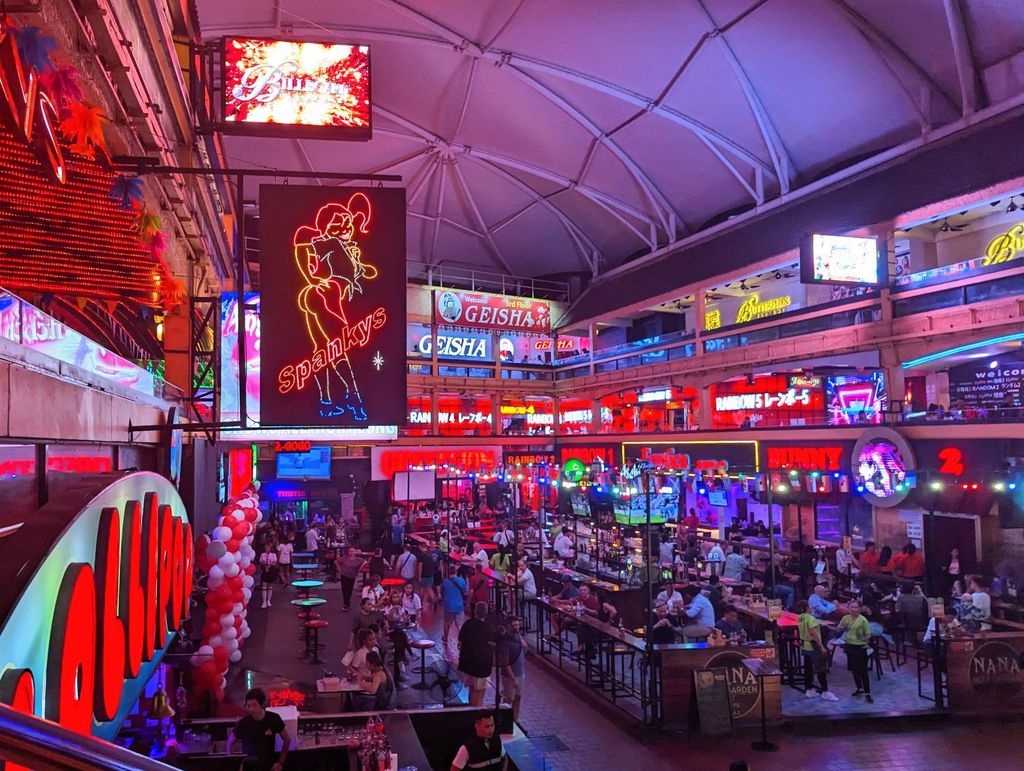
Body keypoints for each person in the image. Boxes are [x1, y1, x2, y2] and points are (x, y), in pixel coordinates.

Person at [227, 688, 289, 771]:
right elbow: (229, 742)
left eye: (254, 705)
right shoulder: (244, 723)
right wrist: (233, 764)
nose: (251, 709)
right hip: (249, 767)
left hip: (268, 766)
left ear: (261, 704)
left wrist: (280, 762)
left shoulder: (273, 718)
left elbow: (287, 739)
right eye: (248, 706)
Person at [795, 600, 838, 701]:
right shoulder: (811, 619)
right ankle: (825, 691)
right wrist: (822, 646)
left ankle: (809, 690)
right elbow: (814, 633)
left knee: (808, 668)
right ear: (807, 608)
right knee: (821, 668)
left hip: (805, 645)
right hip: (814, 646)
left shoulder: (800, 618)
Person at [458, 602, 494, 707]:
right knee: (479, 692)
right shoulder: (489, 627)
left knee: (472, 689)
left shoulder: (468, 624)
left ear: (475, 611)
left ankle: (471, 710)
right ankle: (477, 712)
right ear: (486, 613)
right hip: (482, 665)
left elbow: (460, 643)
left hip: (468, 664)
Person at [838, 600, 873, 703]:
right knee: (853, 669)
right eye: (852, 607)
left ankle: (867, 693)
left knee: (863, 671)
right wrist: (843, 628)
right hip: (849, 646)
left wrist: (863, 638)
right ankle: (859, 688)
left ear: (859, 609)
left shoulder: (863, 620)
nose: (854, 609)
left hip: (860, 647)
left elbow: (868, 635)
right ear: (848, 609)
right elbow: (838, 629)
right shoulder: (845, 618)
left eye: (856, 607)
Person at [496, 616, 526, 721]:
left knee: (517, 699)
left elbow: (524, 652)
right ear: (508, 626)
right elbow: (505, 663)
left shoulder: (518, 636)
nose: (516, 627)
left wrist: (525, 646)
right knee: (508, 701)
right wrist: (513, 678)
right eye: (514, 625)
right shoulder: (505, 642)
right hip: (510, 677)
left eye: (518, 625)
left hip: (520, 674)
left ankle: (515, 721)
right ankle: (505, 722)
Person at [441, 568, 469, 647]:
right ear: (456, 572)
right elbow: (465, 590)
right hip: (459, 606)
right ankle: (460, 642)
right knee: (460, 625)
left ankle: (445, 639)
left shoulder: (445, 582)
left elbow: (442, 592)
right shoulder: (461, 580)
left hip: (448, 606)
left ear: (448, 572)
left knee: (447, 623)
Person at [335, 546, 364, 611]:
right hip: (344, 576)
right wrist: (339, 570)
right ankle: (345, 604)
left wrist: (360, 569)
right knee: (345, 590)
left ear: (354, 552)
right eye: (350, 551)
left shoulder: (358, 559)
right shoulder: (344, 558)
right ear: (348, 552)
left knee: (350, 590)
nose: (352, 552)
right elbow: (336, 562)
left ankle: (348, 603)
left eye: (353, 551)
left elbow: (365, 562)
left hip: (352, 576)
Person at [258, 543, 278, 609]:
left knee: (270, 585)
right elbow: (260, 562)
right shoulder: (262, 554)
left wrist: (270, 564)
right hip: (264, 570)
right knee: (264, 585)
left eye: (268, 547)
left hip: (271, 570)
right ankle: (264, 602)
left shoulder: (273, 555)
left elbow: (275, 563)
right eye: (265, 547)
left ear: (270, 548)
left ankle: (268, 600)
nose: (266, 549)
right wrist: (264, 564)